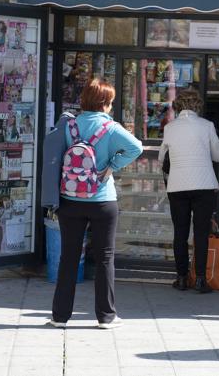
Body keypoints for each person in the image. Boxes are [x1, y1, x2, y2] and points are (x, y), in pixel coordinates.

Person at [49, 79, 143, 329]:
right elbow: (136, 148)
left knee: (68, 257)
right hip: (102, 200)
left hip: (70, 199)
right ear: (105, 104)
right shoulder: (110, 128)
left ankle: (60, 316)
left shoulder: (69, 125)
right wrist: (112, 166)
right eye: (110, 102)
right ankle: (106, 316)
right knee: (104, 258)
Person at [158, 89, 219, 293]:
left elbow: (162, 158)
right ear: (198, 106)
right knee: (201, 233)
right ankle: (200, 280)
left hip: (177, 186)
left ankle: (180, 278)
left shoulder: (170, 128)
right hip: (204, 185)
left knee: (180, 232)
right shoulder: (207, 126)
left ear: (177, 107)